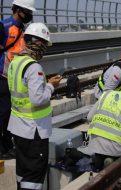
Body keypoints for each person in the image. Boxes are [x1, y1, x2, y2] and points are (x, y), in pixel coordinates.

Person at [7, 22, 62, 190]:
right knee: (34, 172)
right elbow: (38, 99)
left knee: (23, 170)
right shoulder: (33, 67)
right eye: (45, 44)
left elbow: (23, 92)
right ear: (39, 43)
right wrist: (51, 86)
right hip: (34, 130)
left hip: (18, 127)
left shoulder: (15, 62)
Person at [0, 0, 36, 159]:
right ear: (19, 10)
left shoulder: (24, 30)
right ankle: (3, 148)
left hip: (14, 79)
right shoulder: (4, 26)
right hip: (2, 77)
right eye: (28, 12)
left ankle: (8, 146)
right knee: (3, 114)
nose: (30, 15)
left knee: (10, 114)